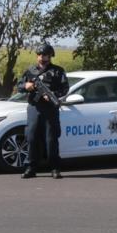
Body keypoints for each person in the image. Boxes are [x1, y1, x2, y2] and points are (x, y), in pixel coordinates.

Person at [17, 43, 69, 179]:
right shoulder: (30, 70)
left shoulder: (58, 71)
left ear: (50, 56)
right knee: (32, 137)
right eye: (39, 55)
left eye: (45, 55)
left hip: (50, 109)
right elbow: (19, 86)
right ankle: (31, 168)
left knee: (51, 139)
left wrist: (52, 95)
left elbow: (65, 88)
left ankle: (54, 168)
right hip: (34, 107)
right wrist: (26, 85)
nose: (41, 58)